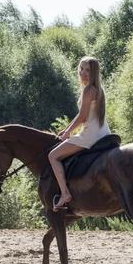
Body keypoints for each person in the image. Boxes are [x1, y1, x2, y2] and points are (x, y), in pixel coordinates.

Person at [48, 56, 111, 211]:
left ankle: (65, 193)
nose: (83, 72)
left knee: (53, 156)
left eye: (87, 70)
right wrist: (67, 130)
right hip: (103, 133)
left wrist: (67, 132)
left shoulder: (88, 90)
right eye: (81, 68)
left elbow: (82, 117)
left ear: (93, 72)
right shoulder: (98, 89)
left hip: (90, 135)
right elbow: (84, 116)